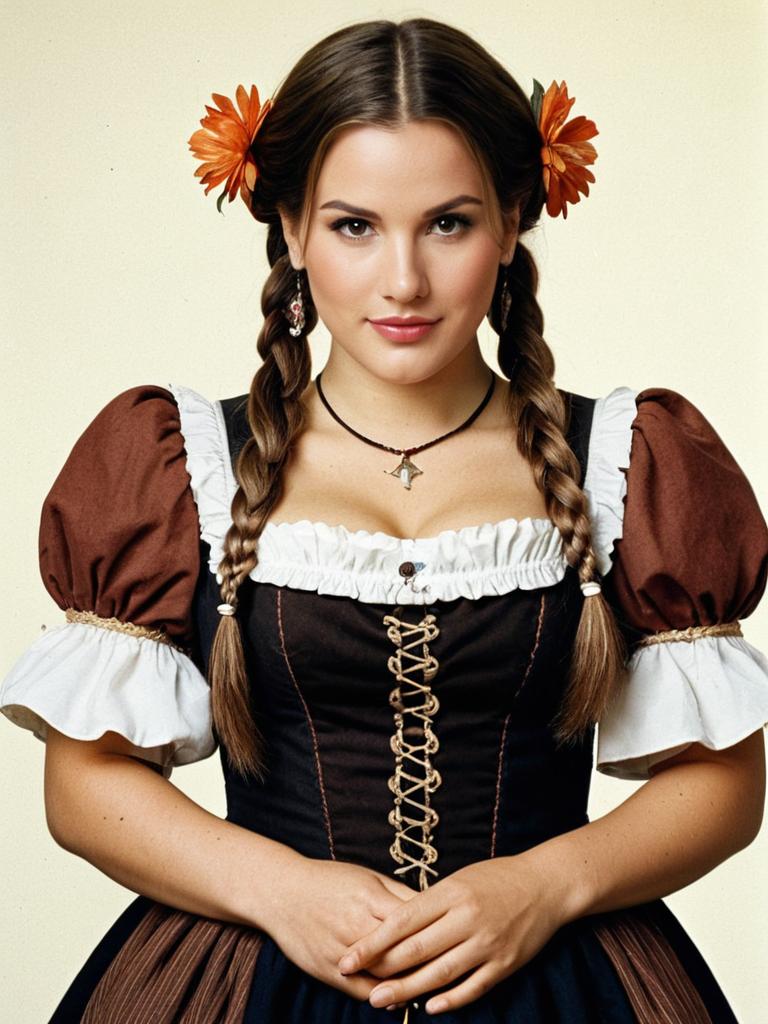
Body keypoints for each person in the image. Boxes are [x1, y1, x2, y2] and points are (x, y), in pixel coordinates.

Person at [2, 15, 767, 1023]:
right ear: (291, 227)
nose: (402, 280)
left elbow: (725, 781)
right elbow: (84, 782)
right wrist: (278, 891)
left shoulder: (628, 458)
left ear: (513, 221)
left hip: (561, 978)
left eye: (447, 222)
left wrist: (545, 887)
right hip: (246, 977)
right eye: (354, 225)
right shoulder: (178, 460)